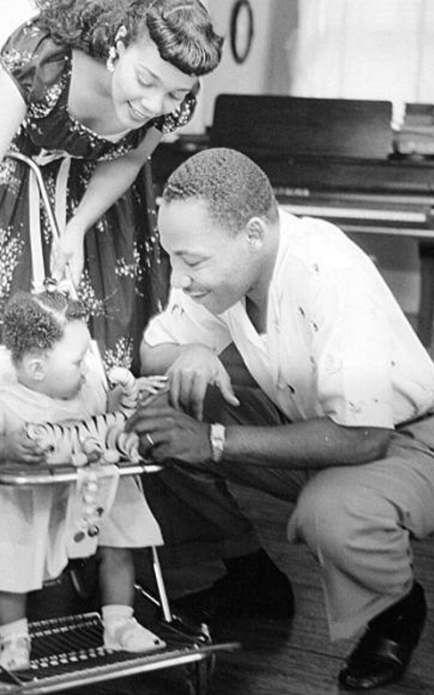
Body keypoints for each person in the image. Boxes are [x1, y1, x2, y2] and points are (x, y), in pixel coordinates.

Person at [126, 147, 434, 691]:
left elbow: (365, 438)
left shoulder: (329, 270)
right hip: (319, 429)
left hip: (405, 440)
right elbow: (153, 355)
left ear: (252, 234)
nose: (179, 280)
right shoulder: (235, 266)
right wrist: (189, 355)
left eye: (191, 261)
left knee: (330, 512)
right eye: (172, 258)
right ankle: (252, 576)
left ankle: (397, 610)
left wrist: (216, 441)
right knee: (154, 418)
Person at [0, 0, 223, 408]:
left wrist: (76, 227)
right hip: (19, 199)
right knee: (8, 370)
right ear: (120, 45)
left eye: (174, 94)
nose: (153, 104)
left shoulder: (172, 96)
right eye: (145, 80)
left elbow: (129, 160)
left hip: (105, 213)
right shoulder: (43, 58)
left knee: (102, 373)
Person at [0, 289, 165, 671]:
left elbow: (108, 420)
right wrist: (2, 447)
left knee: (120, 544)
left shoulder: (85, 394)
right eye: (78, 360)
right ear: (37, 367)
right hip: (26, 502)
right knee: (11, 568)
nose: (87, 368)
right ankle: (13, 639)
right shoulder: (4, 404)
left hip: (90, 490)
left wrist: (126, 398)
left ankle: (119, 622)